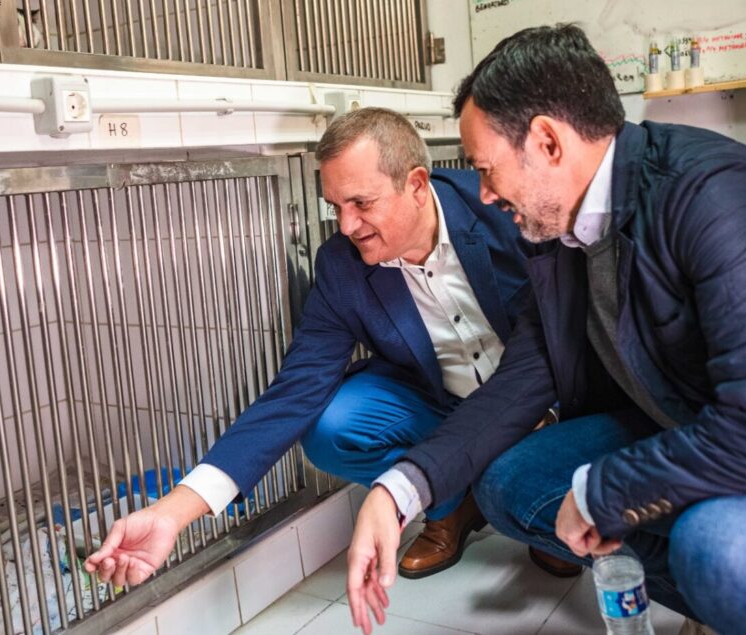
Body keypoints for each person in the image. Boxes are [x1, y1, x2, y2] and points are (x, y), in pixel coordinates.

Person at [346, 25, 746, 635]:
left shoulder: (712, 193)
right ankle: (724, 608)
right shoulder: (562, 235)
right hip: (696, 423)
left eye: (486, 168)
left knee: (723, 551)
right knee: (513, 483)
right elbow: (521, 381)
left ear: (547, 142)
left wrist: (606, 491)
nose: (481, 192)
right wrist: (398, 491)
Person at [84, 107, 571, 588]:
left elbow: (574, 328)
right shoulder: (342, 265)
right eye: (335, 206)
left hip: (543, 402)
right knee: (331, 426)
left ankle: (526, 484)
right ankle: (450, 504)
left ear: (417, 185)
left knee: (534, 509)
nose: (346, 225)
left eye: (361, 202)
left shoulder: (502, 211)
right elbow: (297, 388)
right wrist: (174, 511)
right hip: (443, 400)